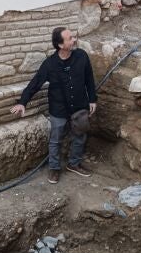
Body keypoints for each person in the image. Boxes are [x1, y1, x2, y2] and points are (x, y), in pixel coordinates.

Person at [10, 27, 97, 184]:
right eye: (70, 38)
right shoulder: (49, 64)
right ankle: (54, 168)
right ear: (60, 45)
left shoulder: (82, 56)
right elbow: (35, 83)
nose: (74, 40)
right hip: (59, 108)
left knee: (80, 136)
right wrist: (23, 102)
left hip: (79, 106)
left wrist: (92, 99)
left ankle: (74, 164)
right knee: (55, 140)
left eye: (72, 37)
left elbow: (89, 79)